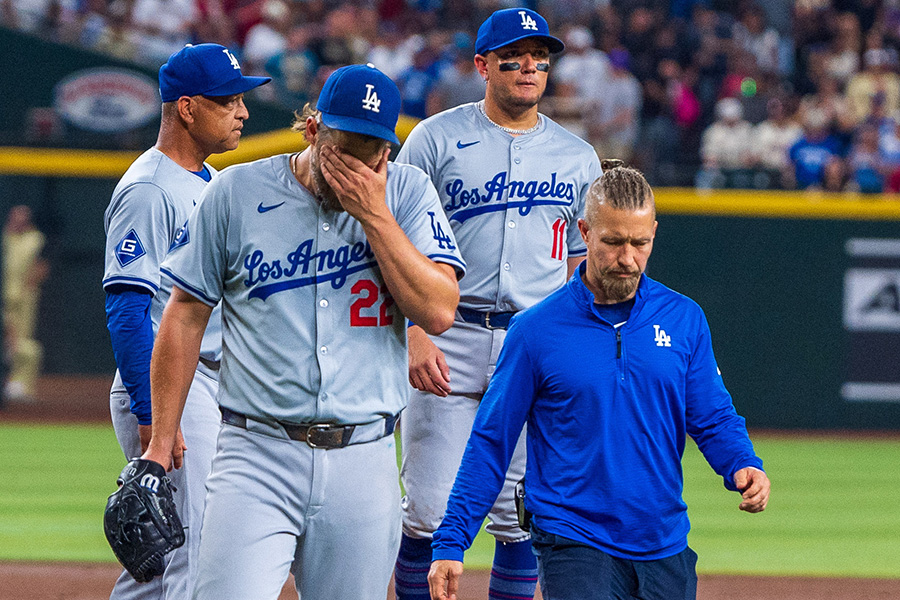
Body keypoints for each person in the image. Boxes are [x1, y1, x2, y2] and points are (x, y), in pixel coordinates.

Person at [141, 63, 465, 600]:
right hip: (255, 452)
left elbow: (437, 311)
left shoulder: (406, 193)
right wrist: (158, 441)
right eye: (351, 144)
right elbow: (184, 313)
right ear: (313, 130)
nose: (367, 161)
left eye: (378, 147)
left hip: (364, 456)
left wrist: (377, 218)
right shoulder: (237, 193)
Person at [428, 165, 771, 600]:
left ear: (654, 234)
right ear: (585, 232)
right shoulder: (535, 331)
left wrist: (742, 462)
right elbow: (491, 440)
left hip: (663, 541)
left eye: (640, 243)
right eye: (612, 242)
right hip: (572, 540)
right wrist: (452, 541)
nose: (627, 257)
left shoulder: (684, 319)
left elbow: (712, 415)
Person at [394, 8, 603, 600]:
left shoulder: (577, 155)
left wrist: (575, 347)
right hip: (448, 330)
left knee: (519, 519)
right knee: (429, 512)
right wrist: (412, 331)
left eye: (540, 56)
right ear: (484, 65)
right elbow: (392, 244)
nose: (530, 66)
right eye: (515, 55)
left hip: (535, 342)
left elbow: (580, 264)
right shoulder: (433, 138)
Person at [101, 43, 269, 599]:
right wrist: (156, 419)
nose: (243, 111)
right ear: (188, 108)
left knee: (157, 563)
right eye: (228, 101)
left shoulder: (208, 181)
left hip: (208, 380)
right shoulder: (150, 188)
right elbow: (127, 308)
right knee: (198, 549)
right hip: (173, 382)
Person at [3, 205, 48, 404]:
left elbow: (41, 266)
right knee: (9, 343)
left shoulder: (35, 239)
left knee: (23, 344)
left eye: (22, 219)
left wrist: (27, 287)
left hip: (24, 298)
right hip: (5, 297)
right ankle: (8, 383)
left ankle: (21, 385)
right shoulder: (6, 238)